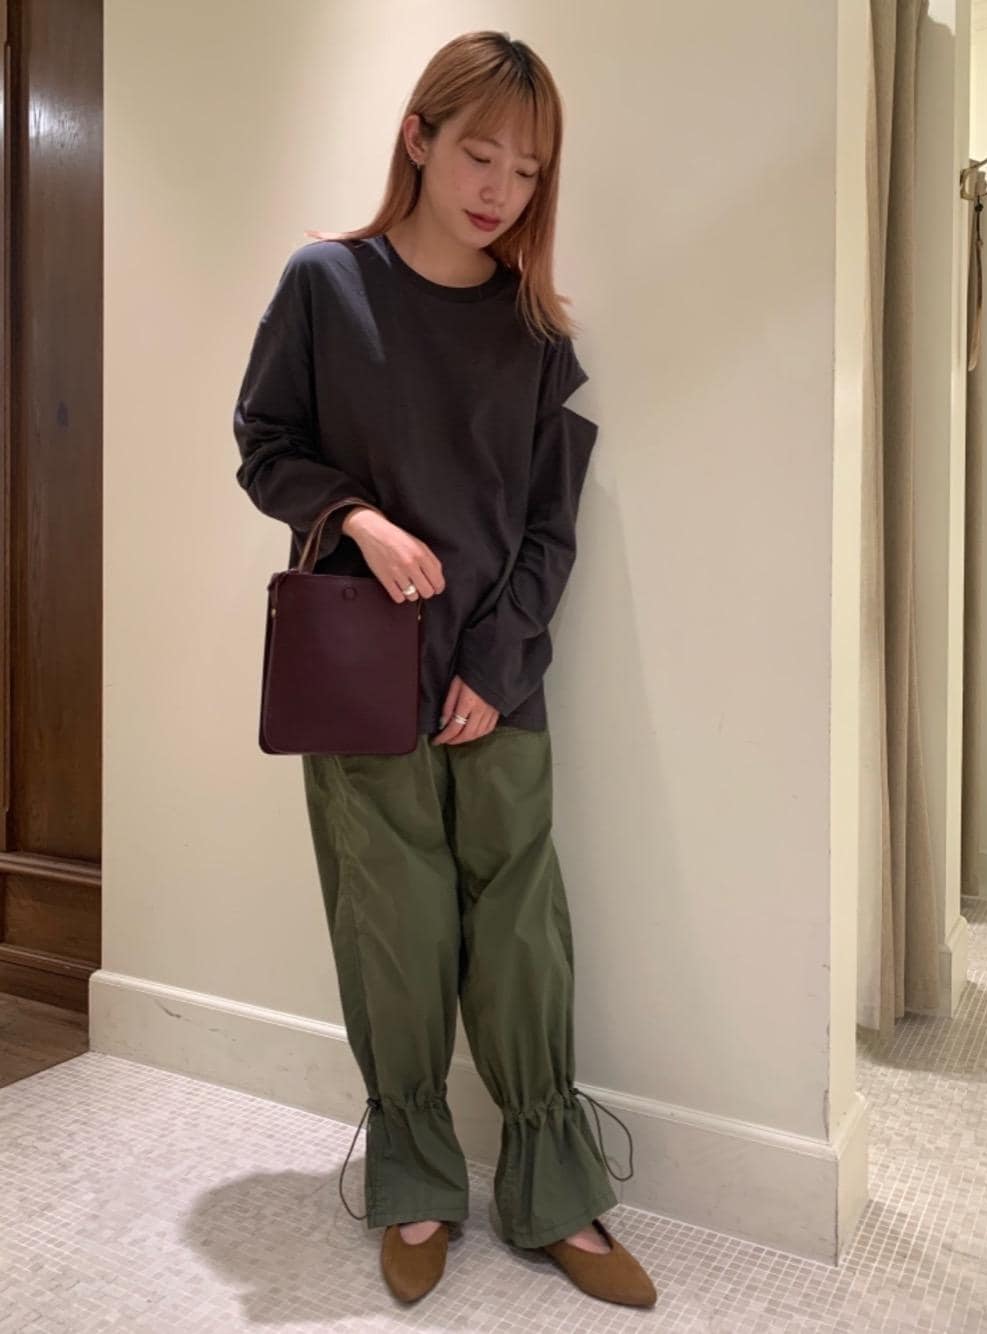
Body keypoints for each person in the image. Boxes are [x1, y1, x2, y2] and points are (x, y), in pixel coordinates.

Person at [232, 29, 656, 1310]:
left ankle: (554, 1186)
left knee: (521, 930)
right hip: (361, 671)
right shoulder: (326, 284)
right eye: (480, 154)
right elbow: (265, 444)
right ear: (417, 137)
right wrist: (357, 516)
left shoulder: (531, 333)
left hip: (496, 674)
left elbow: (547, 526)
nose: (499, 190)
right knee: (395, 925)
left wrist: (497, 656)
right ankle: (415, 1175)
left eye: (527, 172)